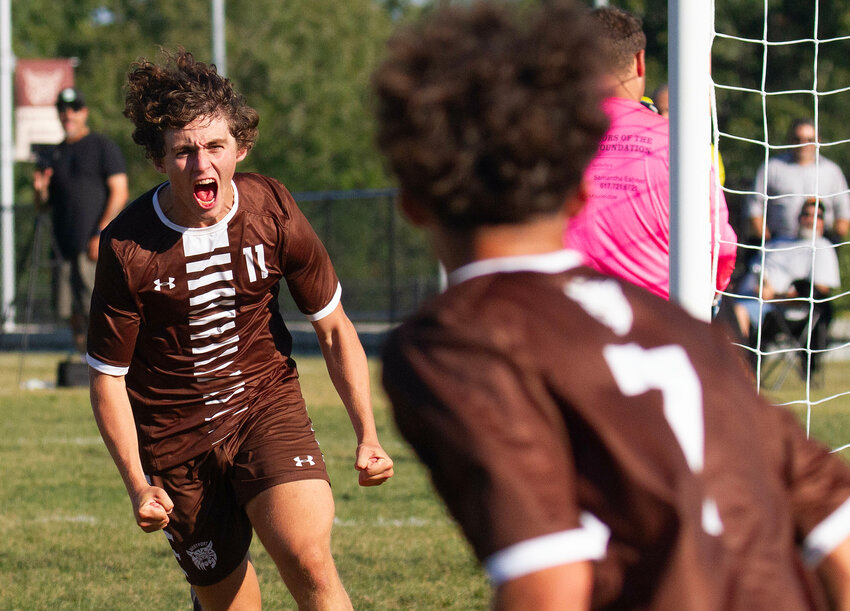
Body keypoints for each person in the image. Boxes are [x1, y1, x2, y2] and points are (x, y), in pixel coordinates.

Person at [372, 2, 850, 608]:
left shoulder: (457, 340)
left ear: (411, 201)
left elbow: (550, 584)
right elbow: (836, 530)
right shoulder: (683, 331)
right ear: (576, 192)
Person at [86, 50, 394, 609]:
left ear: (241, 148)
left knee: (307, 556)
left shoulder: (272, 207)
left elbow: (332, 326)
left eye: (215, 147)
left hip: (263, 405)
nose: (202, 166)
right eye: (183, 151)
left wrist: (367, 434)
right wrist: (137, 484)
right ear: (159, 159)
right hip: (174, 437)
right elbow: (108, 379)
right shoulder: (127, 245)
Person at [563, 8, 737, 301]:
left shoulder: (546, 142)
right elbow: (721, 244)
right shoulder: (679, 143)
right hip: (658, 325)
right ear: (640, 62)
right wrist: (712, 294)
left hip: (566, 323)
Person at [33, 87, 128, 353]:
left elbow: (119, 191)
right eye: (63, 110)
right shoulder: (55, 153)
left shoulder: (101, 146)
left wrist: (101, 232)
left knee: (95, 304)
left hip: (93, 244)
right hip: (63, 246)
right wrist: (40, 189)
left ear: (84, 112)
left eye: (73, 109)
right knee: (69, 309)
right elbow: (42, 206)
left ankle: (105, 358)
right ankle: (82, 362)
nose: (68, 115)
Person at [734, 198, 840, 373]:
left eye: (817, 216)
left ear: (823, 221)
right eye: (806, 214)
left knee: (738, 312)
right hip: (748, 297)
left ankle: (742, 370)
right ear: (798, 217)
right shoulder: (778, 243)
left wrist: (773, 297)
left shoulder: (822, 248)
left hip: (782, 312)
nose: (810, 219)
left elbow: (817, 294)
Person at [748, 118, 850, 242]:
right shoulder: (772, 167)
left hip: (819, 244)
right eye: (798, 139)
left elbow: (844, 211)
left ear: (818, 140)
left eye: (809, 140)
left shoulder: (832, 171)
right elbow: (754, 207)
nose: (803, 144)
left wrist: (833, 242)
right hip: (779, 243)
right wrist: (766, 241)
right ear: (790, 140)